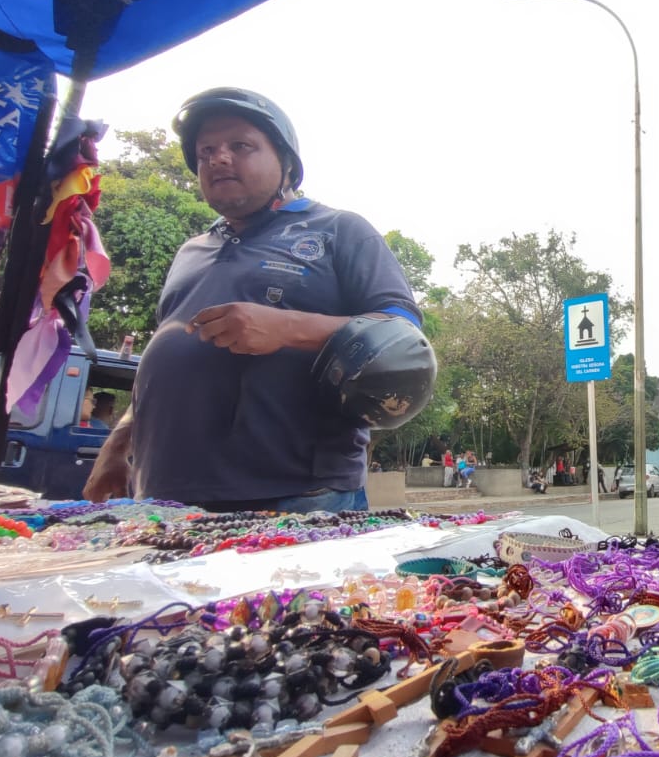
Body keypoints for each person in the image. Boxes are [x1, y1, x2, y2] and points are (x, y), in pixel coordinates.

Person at [83, 87, 428, 513]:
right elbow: (163, 364)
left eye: (240, 145)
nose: (218, 158)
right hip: (161, 496)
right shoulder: (191, 250)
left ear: (286, 162)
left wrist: (287, 329)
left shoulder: (340, 230)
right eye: (206, 150)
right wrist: (118, 444)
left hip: (295, 496)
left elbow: (405, 339)